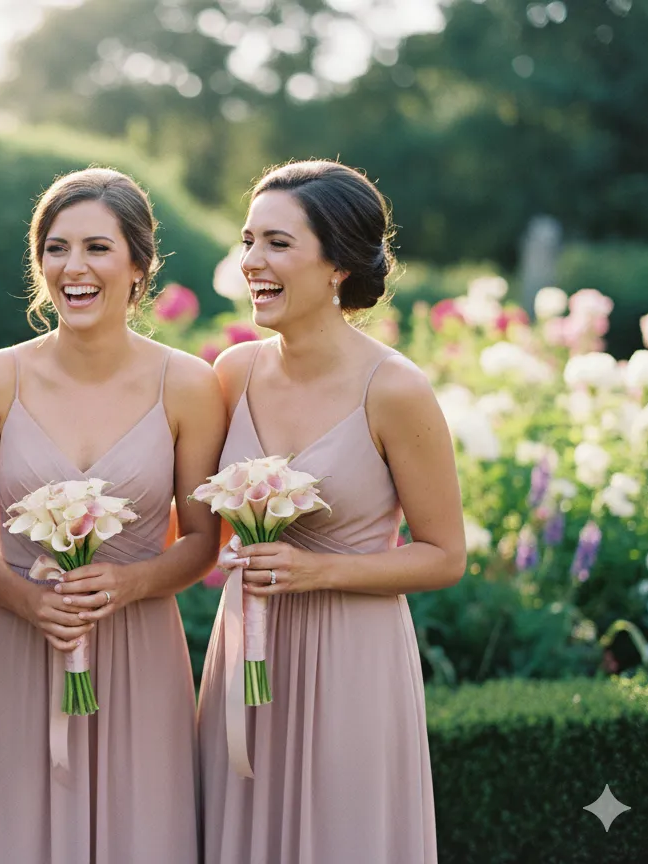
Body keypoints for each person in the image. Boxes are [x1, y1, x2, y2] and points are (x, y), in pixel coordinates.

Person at [0, 168, 225, 864]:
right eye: (56, 248)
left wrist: (130, 584)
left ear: (139, 266)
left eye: (98, 248)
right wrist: (27, 600)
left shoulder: (188, 384)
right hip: (19, 643)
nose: (74, 267)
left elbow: (201, 543)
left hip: (140, 648)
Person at [197, 160, 466, 864]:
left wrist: (317, 569)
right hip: (245, 648)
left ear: (339, 265)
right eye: (249, 240)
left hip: (352, 658)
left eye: (278, 244)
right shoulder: (231, 375)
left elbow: (444, 555)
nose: (252, 261)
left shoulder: (395, 390)